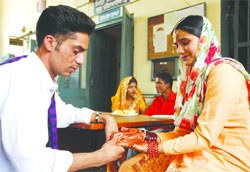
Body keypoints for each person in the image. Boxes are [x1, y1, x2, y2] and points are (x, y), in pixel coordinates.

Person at [112, 15, 250, 172]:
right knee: (129, 167)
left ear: (204, 39)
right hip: (196, 150)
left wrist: (153, 148)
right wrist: (146, 137)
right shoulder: (194, 79)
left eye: (185, 43)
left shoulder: (223, 73)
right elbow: (182, 133)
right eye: (176, 45)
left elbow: (203, 138)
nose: (179, 51)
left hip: (226, 157)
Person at [0, 5, 124, 172]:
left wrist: (103, 117)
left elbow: (62, 112)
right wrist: (101, 156)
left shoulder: (37, 77)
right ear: (50, 42)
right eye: (76, 51)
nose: (81, 60)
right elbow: (30, 164)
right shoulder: (23, 80)